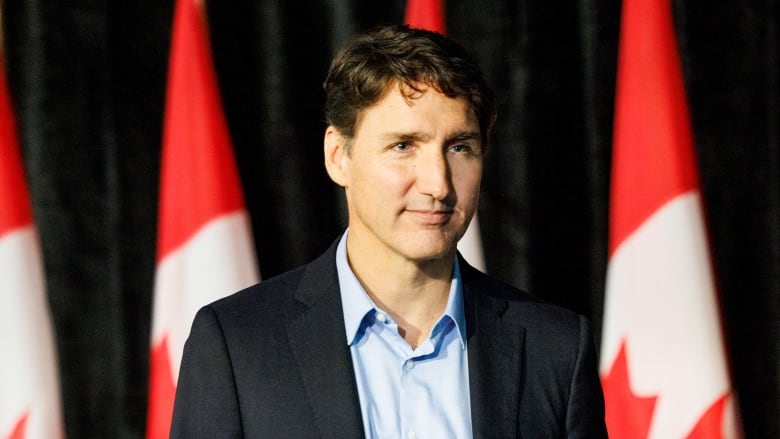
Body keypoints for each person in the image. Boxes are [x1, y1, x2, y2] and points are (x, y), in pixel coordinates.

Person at [169, 24, 607, 438]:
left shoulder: (556, 349)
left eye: (459, 147)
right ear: (339, 156)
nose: (437, 184)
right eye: (403, 146)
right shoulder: (237, 344)